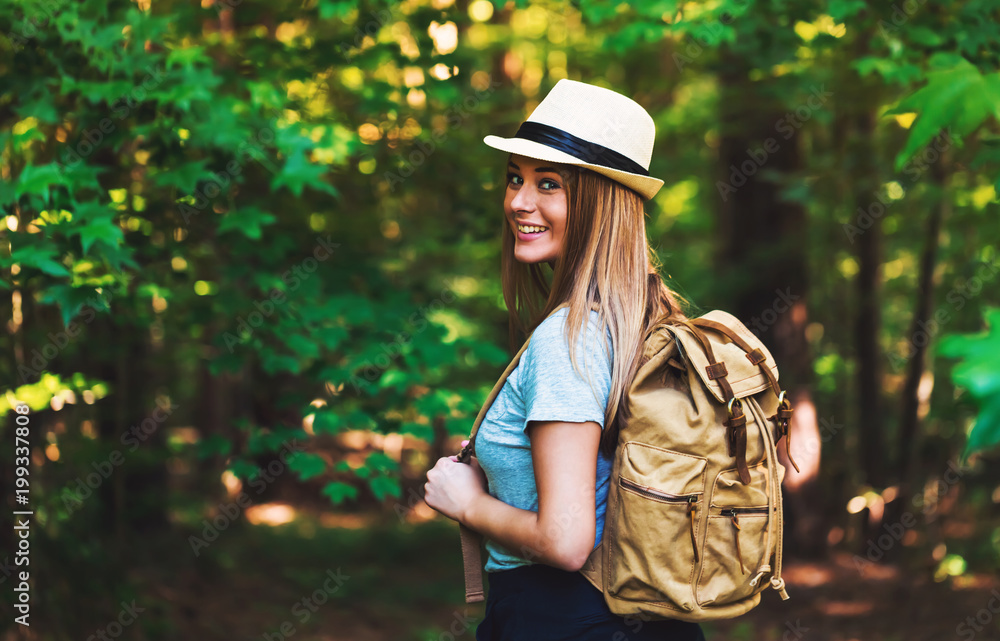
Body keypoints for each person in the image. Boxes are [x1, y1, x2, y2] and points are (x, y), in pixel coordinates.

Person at [423, 79, 705, 641]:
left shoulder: (567, 337)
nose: (519, 202)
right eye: (514, 179)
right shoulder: (642, 317)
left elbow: (565, 540)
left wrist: (467, 503)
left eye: (547, 184)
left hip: (562, 617)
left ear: (601, 202)